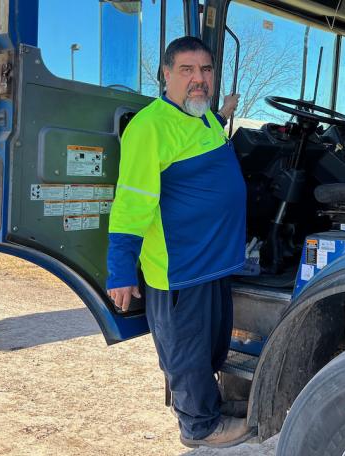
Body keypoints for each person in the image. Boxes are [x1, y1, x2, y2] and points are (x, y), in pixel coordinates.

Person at [105, 36, 251, 449]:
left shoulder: (202, 117)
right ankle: (199, 427)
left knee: (212, 346)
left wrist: (224, 113)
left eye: (205, 71)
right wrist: (120, 270)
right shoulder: (148, 127)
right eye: (186, 71)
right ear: (166, 74)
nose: (198, 80)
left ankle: (212, 406)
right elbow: (131, 204)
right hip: (181, 267)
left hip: (216, 262)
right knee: (186, 354)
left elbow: (199, 137)